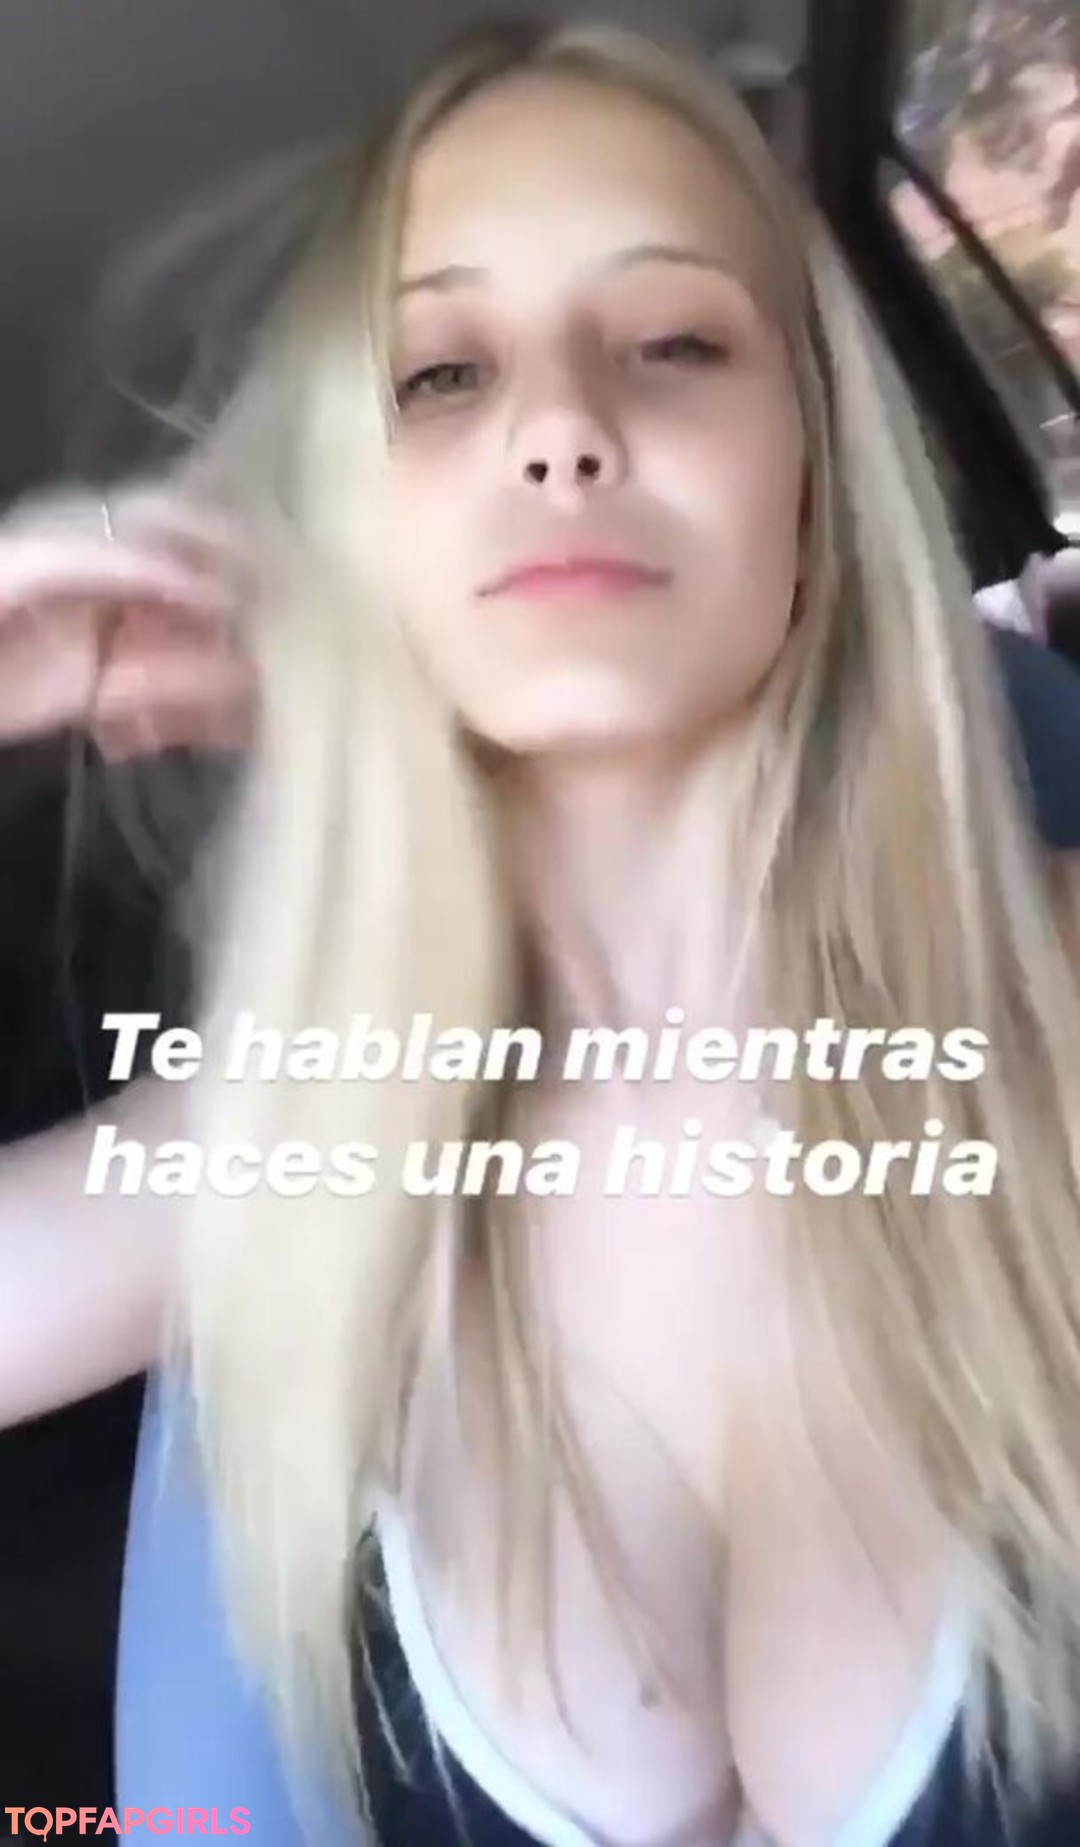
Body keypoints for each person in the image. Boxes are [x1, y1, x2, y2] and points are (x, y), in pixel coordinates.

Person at [2, 13, 1080, 1846]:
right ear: (352, 521)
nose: (563, 427)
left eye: (673, 344)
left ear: (816, 474)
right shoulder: (284, 1136)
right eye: (441, 375)